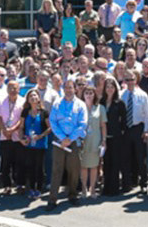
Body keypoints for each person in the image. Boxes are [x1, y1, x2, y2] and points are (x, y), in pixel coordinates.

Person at [47, 78, 88, 211]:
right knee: (56, 170)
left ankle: (72, 195)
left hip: (74, 142)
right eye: (66, 88)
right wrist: (63, 138)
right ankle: (52, 199)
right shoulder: (57, 104)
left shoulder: (81, 104)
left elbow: (83, 125)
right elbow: (53, 122)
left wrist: (69, 139)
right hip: (59, 142)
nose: (69, 90)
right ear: (63, 89)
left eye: (71, 88)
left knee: (73, 170)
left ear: (75, 89)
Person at [79, 81, 105, 198]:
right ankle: (84, 188)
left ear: (94, 95)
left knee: (94, 166)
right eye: (86, 93)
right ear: (83, 95)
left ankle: (93, 188)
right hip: (82, 140)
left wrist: (104, 140)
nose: (89, 95)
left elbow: (103, 126)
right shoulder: (79, 108)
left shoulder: (100, 108)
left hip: (95, 140)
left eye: (91, 93)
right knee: (83, 166)